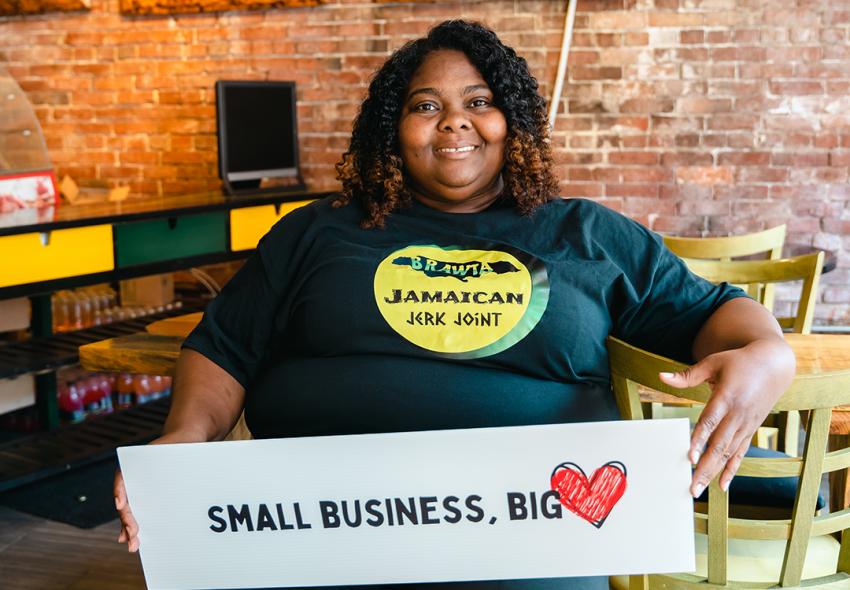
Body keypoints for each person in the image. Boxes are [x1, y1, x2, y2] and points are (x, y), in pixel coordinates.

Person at [115, 20, 795, 589]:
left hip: (535, 547)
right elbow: (223, 344)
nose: (454, 124)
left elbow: (714, 311)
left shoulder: (585, 232)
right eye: (425, 105)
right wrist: (186, 435)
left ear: (513, 121)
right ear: (395, 127)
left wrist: (766, 353)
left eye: (479, 102)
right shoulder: (319, 230)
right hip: (319, 541)